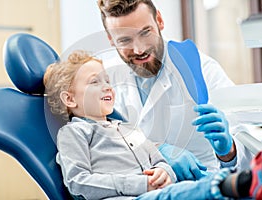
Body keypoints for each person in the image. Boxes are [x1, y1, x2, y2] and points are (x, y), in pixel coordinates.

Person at [43, 50, 262, 200]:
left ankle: (245, 183)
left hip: (154, 192)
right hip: (128, 197)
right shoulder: (74, 132)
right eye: (95, 82)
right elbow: (78, 182)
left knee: (179, 190)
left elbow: (160, 160)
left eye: (108, 81)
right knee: (179, 194)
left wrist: (165, 172)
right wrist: (140, 184)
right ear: (70, 99)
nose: (107, 87)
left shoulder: (127, 128)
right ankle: (241, 184)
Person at [97, 0, 253, 181]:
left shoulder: (203, 70)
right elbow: (98, 149)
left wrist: (228, 151)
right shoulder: (104, 80)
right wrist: (153, 149)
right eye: (125, 40)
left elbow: (250, 154)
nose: (139, 49)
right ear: (110, 39)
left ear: (159, 20)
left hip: (206, 184)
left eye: (146, 33)